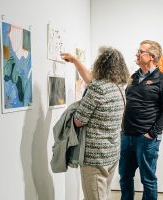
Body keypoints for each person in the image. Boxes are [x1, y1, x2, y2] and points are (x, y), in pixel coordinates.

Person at [61, 46, 130, 200]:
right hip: (111, 154)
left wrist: (78, 100)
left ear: (100, 65)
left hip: (94, 158)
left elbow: (78, 121)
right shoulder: (119, 89)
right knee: (102, 195)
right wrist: (74, 60)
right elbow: (91, 81)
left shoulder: (97, 89)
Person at [119, 40, 163, 200]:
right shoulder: (133, 77)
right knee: (125, 177)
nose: (137, 53)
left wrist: (152, 133)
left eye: (140, 51)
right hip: (127, 136)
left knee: (148, 179)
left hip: (146, 138)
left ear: (152, 56)